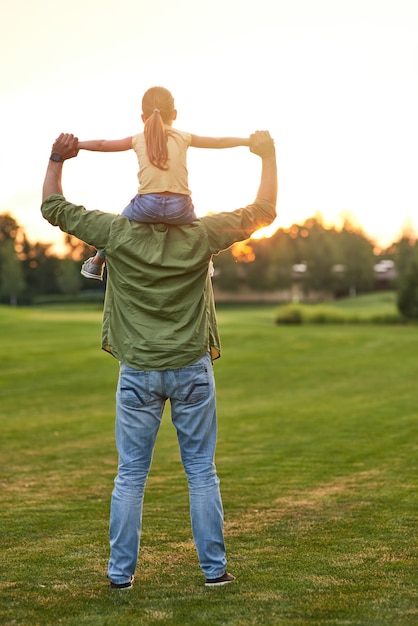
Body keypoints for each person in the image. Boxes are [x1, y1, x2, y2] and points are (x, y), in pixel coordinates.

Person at [41, 129, 277, 589]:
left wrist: (58, 158)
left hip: (138, 372)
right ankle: (214, 572)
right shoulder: (203, 234)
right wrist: (267, 156)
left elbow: (53, 208)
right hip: (191, 367)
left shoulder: (114, 233)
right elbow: (263, 211)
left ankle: (119, 576)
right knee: (201, 473)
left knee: (130, 475)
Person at [78, 86, 251, 280]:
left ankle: (96, 263)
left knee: (117, 227)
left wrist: (78, 145)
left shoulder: (137, 139)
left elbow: (103, 144)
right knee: (199, 231)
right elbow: (218, 142)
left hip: (146, 206)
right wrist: (247, 141)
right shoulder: (184, 137)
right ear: (174, 114)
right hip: (181, 209)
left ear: (143, 118)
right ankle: (207, 262)